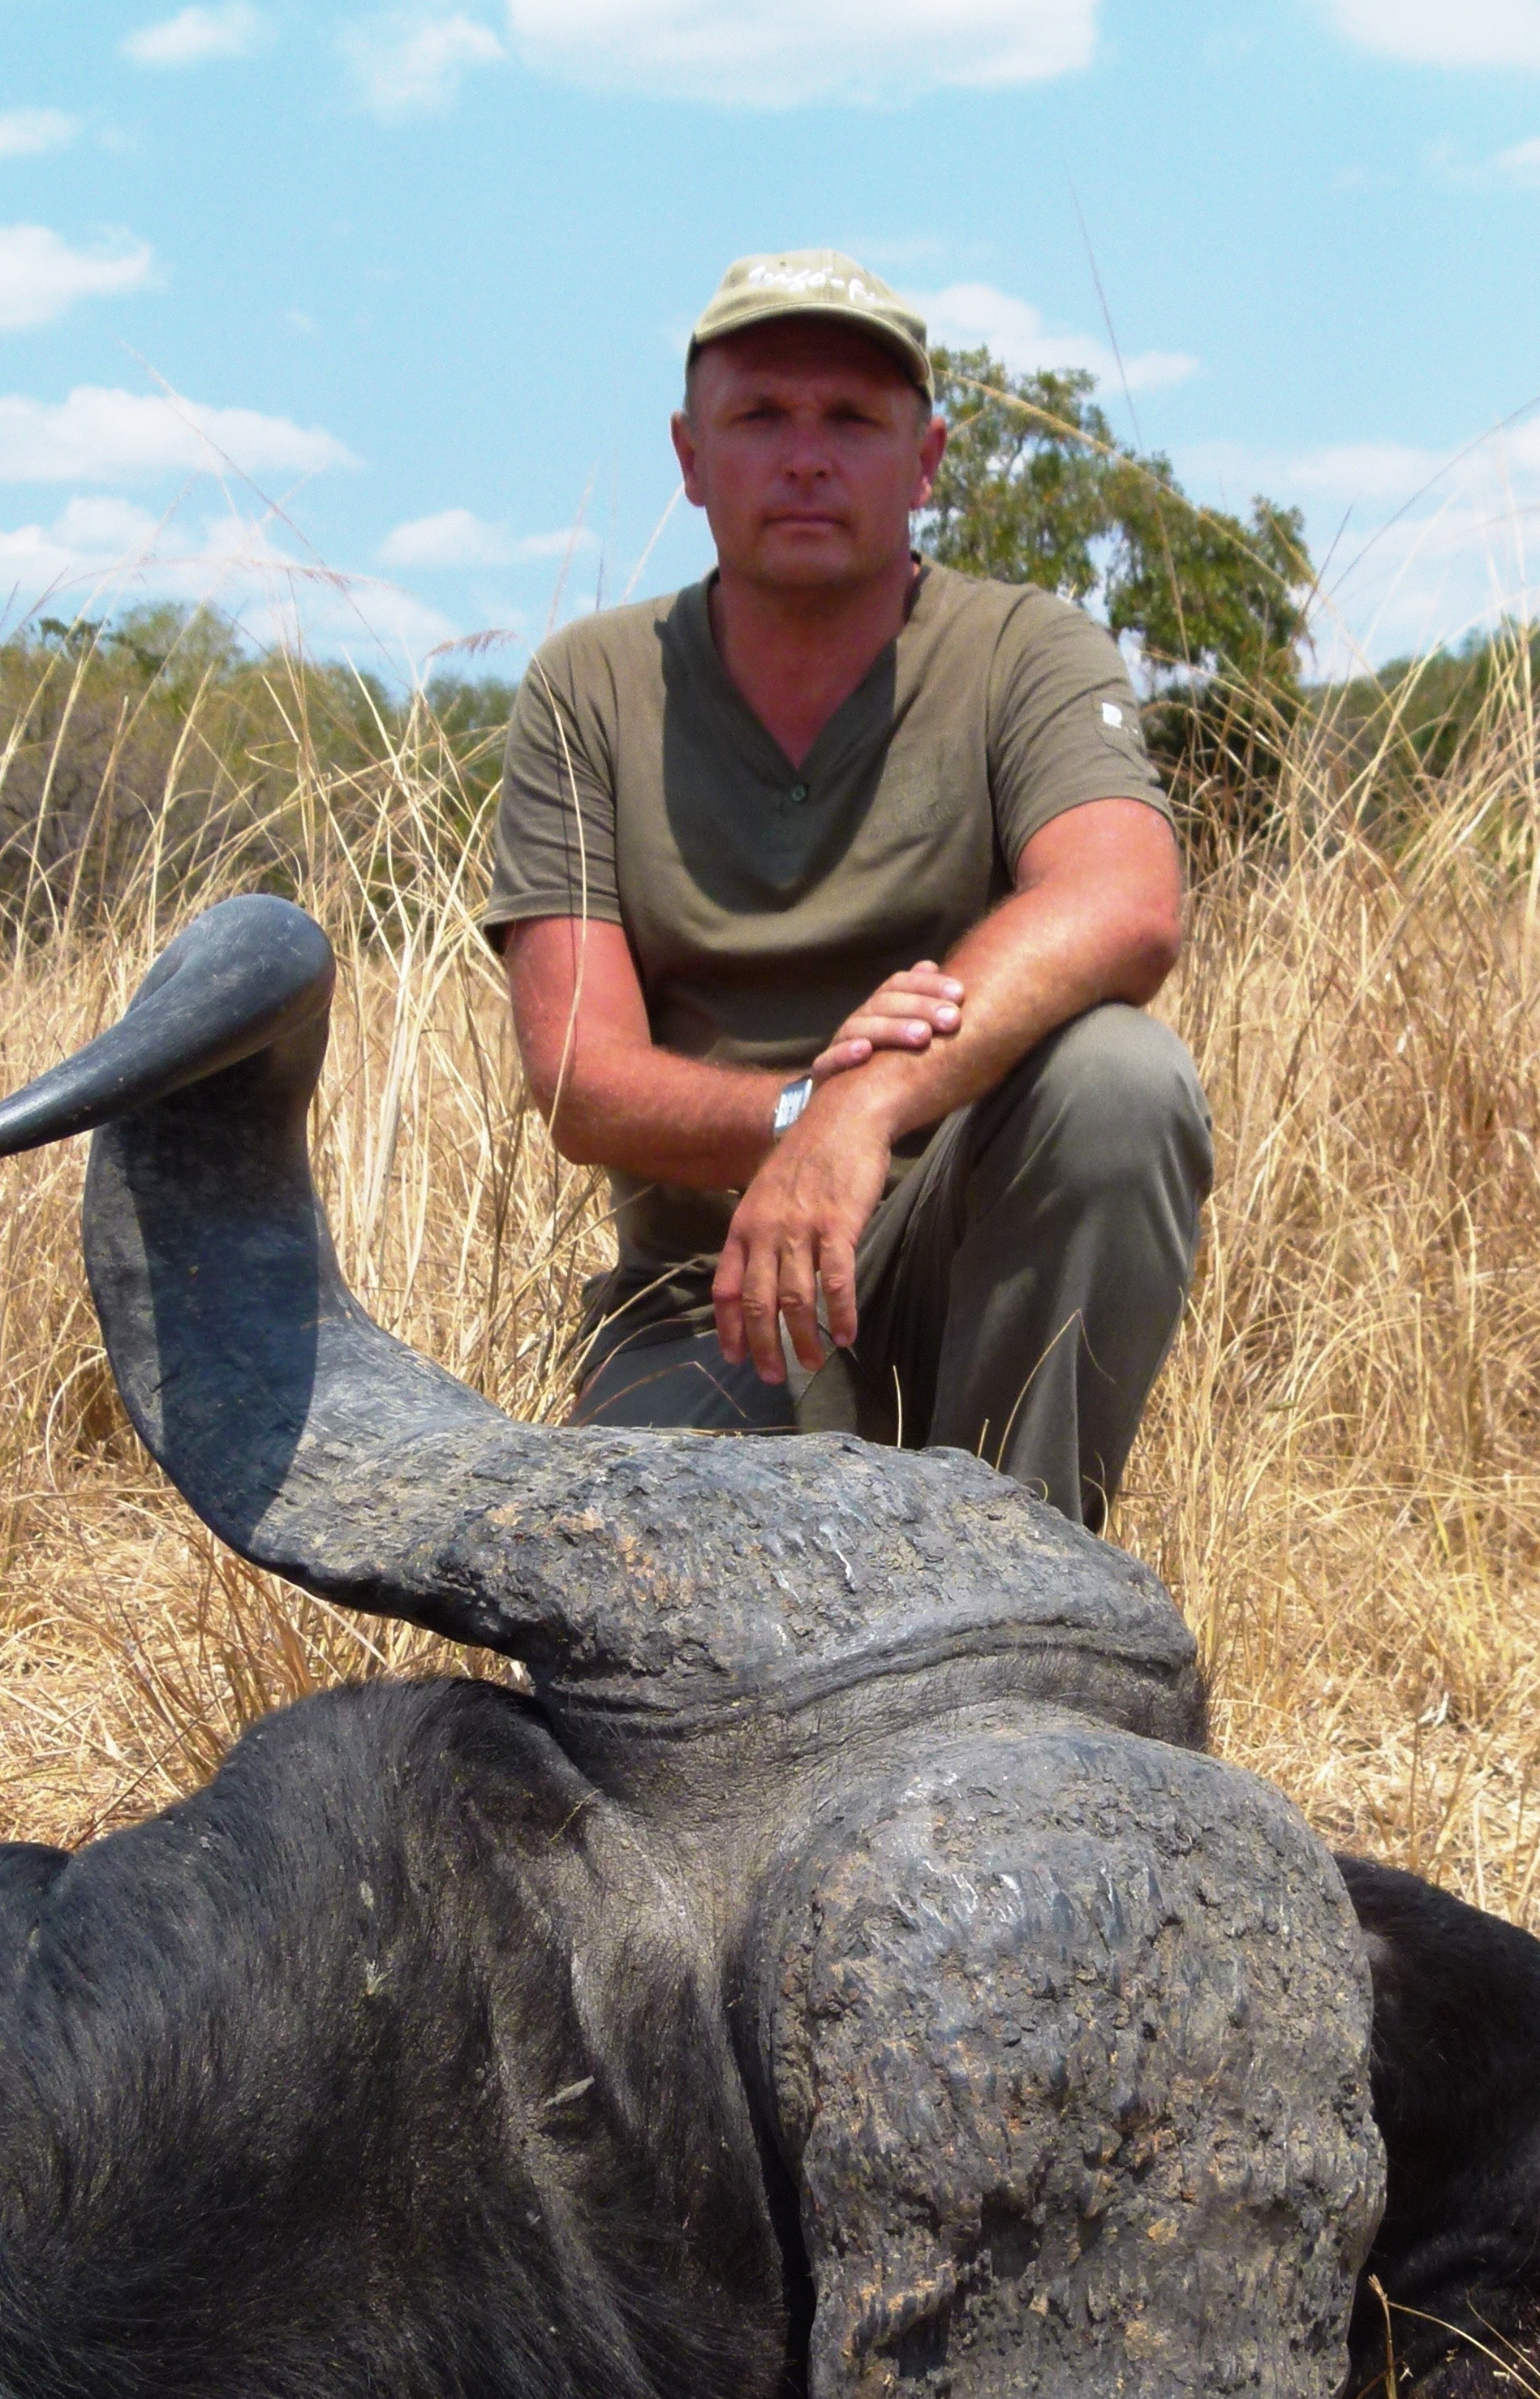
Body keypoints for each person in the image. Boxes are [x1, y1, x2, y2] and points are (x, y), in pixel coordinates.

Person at [485, 248, 1211, 1535]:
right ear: (691, 456)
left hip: (955, 1266)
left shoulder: (1026, 647)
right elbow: (577, 1081)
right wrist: (795, 1122)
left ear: (924, 461)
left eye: (852, 421)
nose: (806, 457)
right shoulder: (585, 686)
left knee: (1122, 1080)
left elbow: (1126, 903)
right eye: (761, 416)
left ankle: (1017, 1595)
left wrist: (858, 1118)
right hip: (715, 1301)